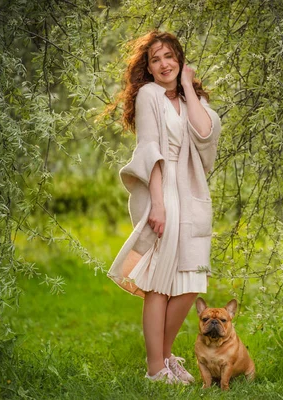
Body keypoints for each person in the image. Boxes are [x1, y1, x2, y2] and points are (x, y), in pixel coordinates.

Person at [107, 30, 221, 384]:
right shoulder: (149, 95)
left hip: (192, 194)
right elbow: (150, 150)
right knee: (159, 281)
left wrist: (188, 86)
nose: (163, 64)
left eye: (169, 56)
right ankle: (156, 367)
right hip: (164, 191)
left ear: (180, 60)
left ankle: (167, 357)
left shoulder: (190, 99)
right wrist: (157, 204)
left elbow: (205, 136)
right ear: (149, 69)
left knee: (190, 278)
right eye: (155, 59)